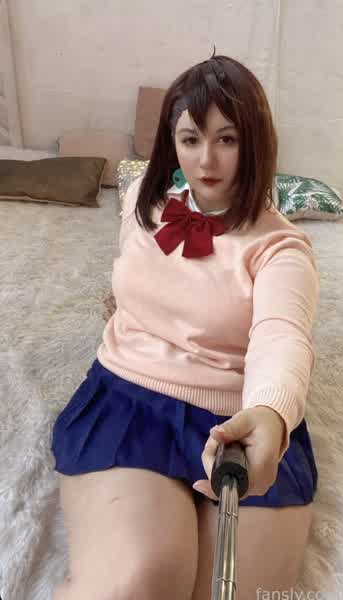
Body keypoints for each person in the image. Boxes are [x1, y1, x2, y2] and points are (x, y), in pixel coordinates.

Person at [51, 51, 320, 600]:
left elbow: (282, 337)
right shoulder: (140, 203)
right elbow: (137, 273)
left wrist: (270, 413)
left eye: (228, 139)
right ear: (170, 142)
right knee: (138, 582)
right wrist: (132, 308)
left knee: (235, 593)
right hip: (131, 399)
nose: (206, 160)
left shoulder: (282, 249)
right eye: (190, 139)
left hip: (237, 420)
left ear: (256, 142)